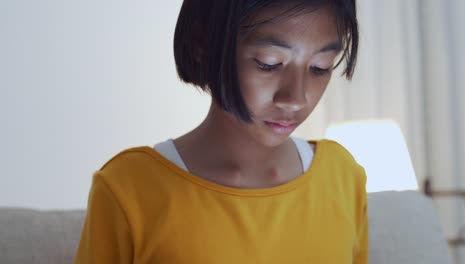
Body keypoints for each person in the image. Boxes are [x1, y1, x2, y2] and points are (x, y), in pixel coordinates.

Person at [73, 0, 367, 263]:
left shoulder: (343, 177)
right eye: (269, 63)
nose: (295, 98)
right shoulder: (128, 188)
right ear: (203, 46)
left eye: (320, 67)